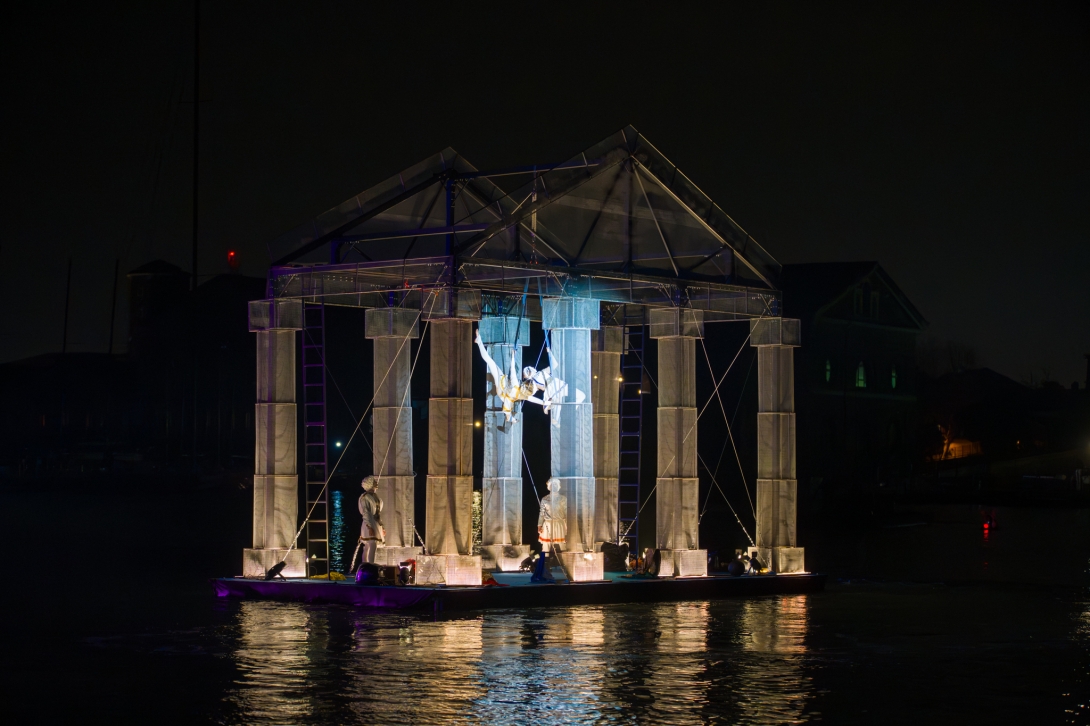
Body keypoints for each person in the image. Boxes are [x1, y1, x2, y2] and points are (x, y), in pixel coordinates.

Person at [358, 476, 385, 565]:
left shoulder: (375, 496)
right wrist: (369, 526)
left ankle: (367, 565)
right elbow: (366, 513)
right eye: (374, 482)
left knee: (370, 545)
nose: (376, 483)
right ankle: (369, 566)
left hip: (375, 523)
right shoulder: (365, 497)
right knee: (371, 545)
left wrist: (382, 526)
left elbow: (378, 513)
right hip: (369, 523)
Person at [537, 478, 567, 553]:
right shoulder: (544, 499)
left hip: (559, 524)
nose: (554, 487)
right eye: (552, 485)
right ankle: (545, 561)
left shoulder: (563, 499)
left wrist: (567, 525)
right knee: (546, 545)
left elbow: (566, 513)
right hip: (548, 523)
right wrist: (539, 525)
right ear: (549, 487)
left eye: (555, 485)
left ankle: (563, 561)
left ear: (558, 487)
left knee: (562, 544)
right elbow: (541, 513)